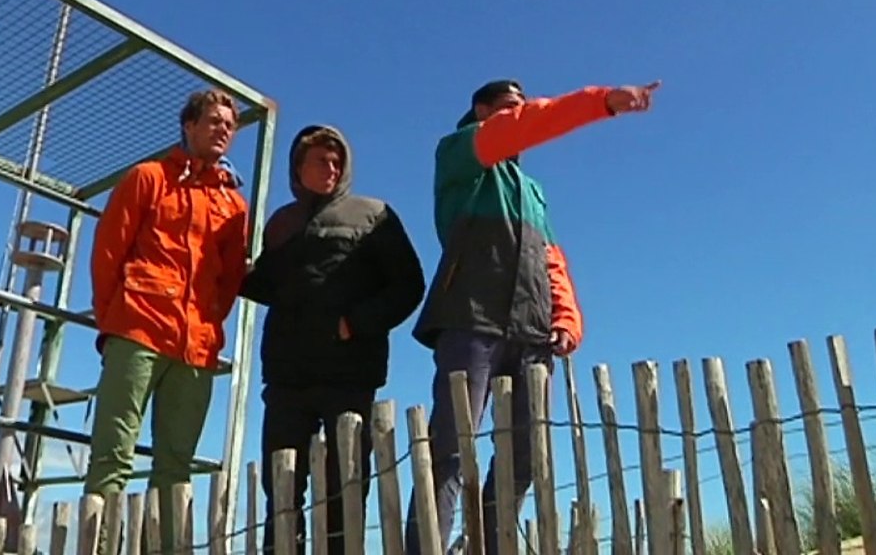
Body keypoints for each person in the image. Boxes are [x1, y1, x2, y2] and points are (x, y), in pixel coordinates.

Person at [403, 78, 661, 554]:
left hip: (531, 330)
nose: (516, 115)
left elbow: (551, 260)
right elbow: (530, 123)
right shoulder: (459, 152)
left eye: (519, 107)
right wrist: (601, 101)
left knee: (525, 455)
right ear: (480, 111)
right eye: (506, 108)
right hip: (471, 317)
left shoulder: (531, 191)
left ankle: (493, 546)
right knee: (451, 449)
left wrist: (566, 319)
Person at [240, 124, 426, 554]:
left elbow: (408, 284)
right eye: (320, 160)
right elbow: (265, 285)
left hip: (349, 371)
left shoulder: (373, 214)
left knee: (346, 481)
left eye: (336, 161)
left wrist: (356, 324)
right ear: (297, 167)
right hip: (287, 374)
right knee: (281, 484)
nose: (331, 167)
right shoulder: (281, 223)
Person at [84, 89, 250, 547]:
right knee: (112, 456)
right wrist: (113, 321)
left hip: (197, 347)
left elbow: (231, 278)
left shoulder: (235, 206)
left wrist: (208, 324)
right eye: (213, 121)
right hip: (136, 329)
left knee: (176, 465)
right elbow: (108, 253)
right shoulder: (147, 178)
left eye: (229, 125)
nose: (222, 130)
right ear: (189, 126)